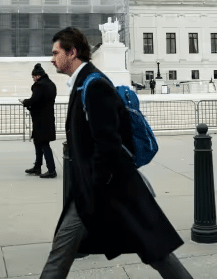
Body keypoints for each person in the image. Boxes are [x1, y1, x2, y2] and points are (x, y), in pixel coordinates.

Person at [41, 27, 191, 278]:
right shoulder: (83, 83)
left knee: (156, 250)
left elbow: (108, 142)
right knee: (153, 248)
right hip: (101, 188)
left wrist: (94, 183)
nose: (52, 58)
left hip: (106, 188)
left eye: (56, 53)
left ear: (72, 52)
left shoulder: (94, 85)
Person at [21, 63, 57, 178]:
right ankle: (37, 166)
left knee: (44, 143)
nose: (33, 79)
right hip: (48, 118)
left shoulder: (40, 85)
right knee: (38, 142)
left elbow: (34, 100)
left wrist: (25, 102)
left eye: (33, 77)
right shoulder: (51, 84)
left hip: (40, 119)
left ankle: (51, 170)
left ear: (37, 76)